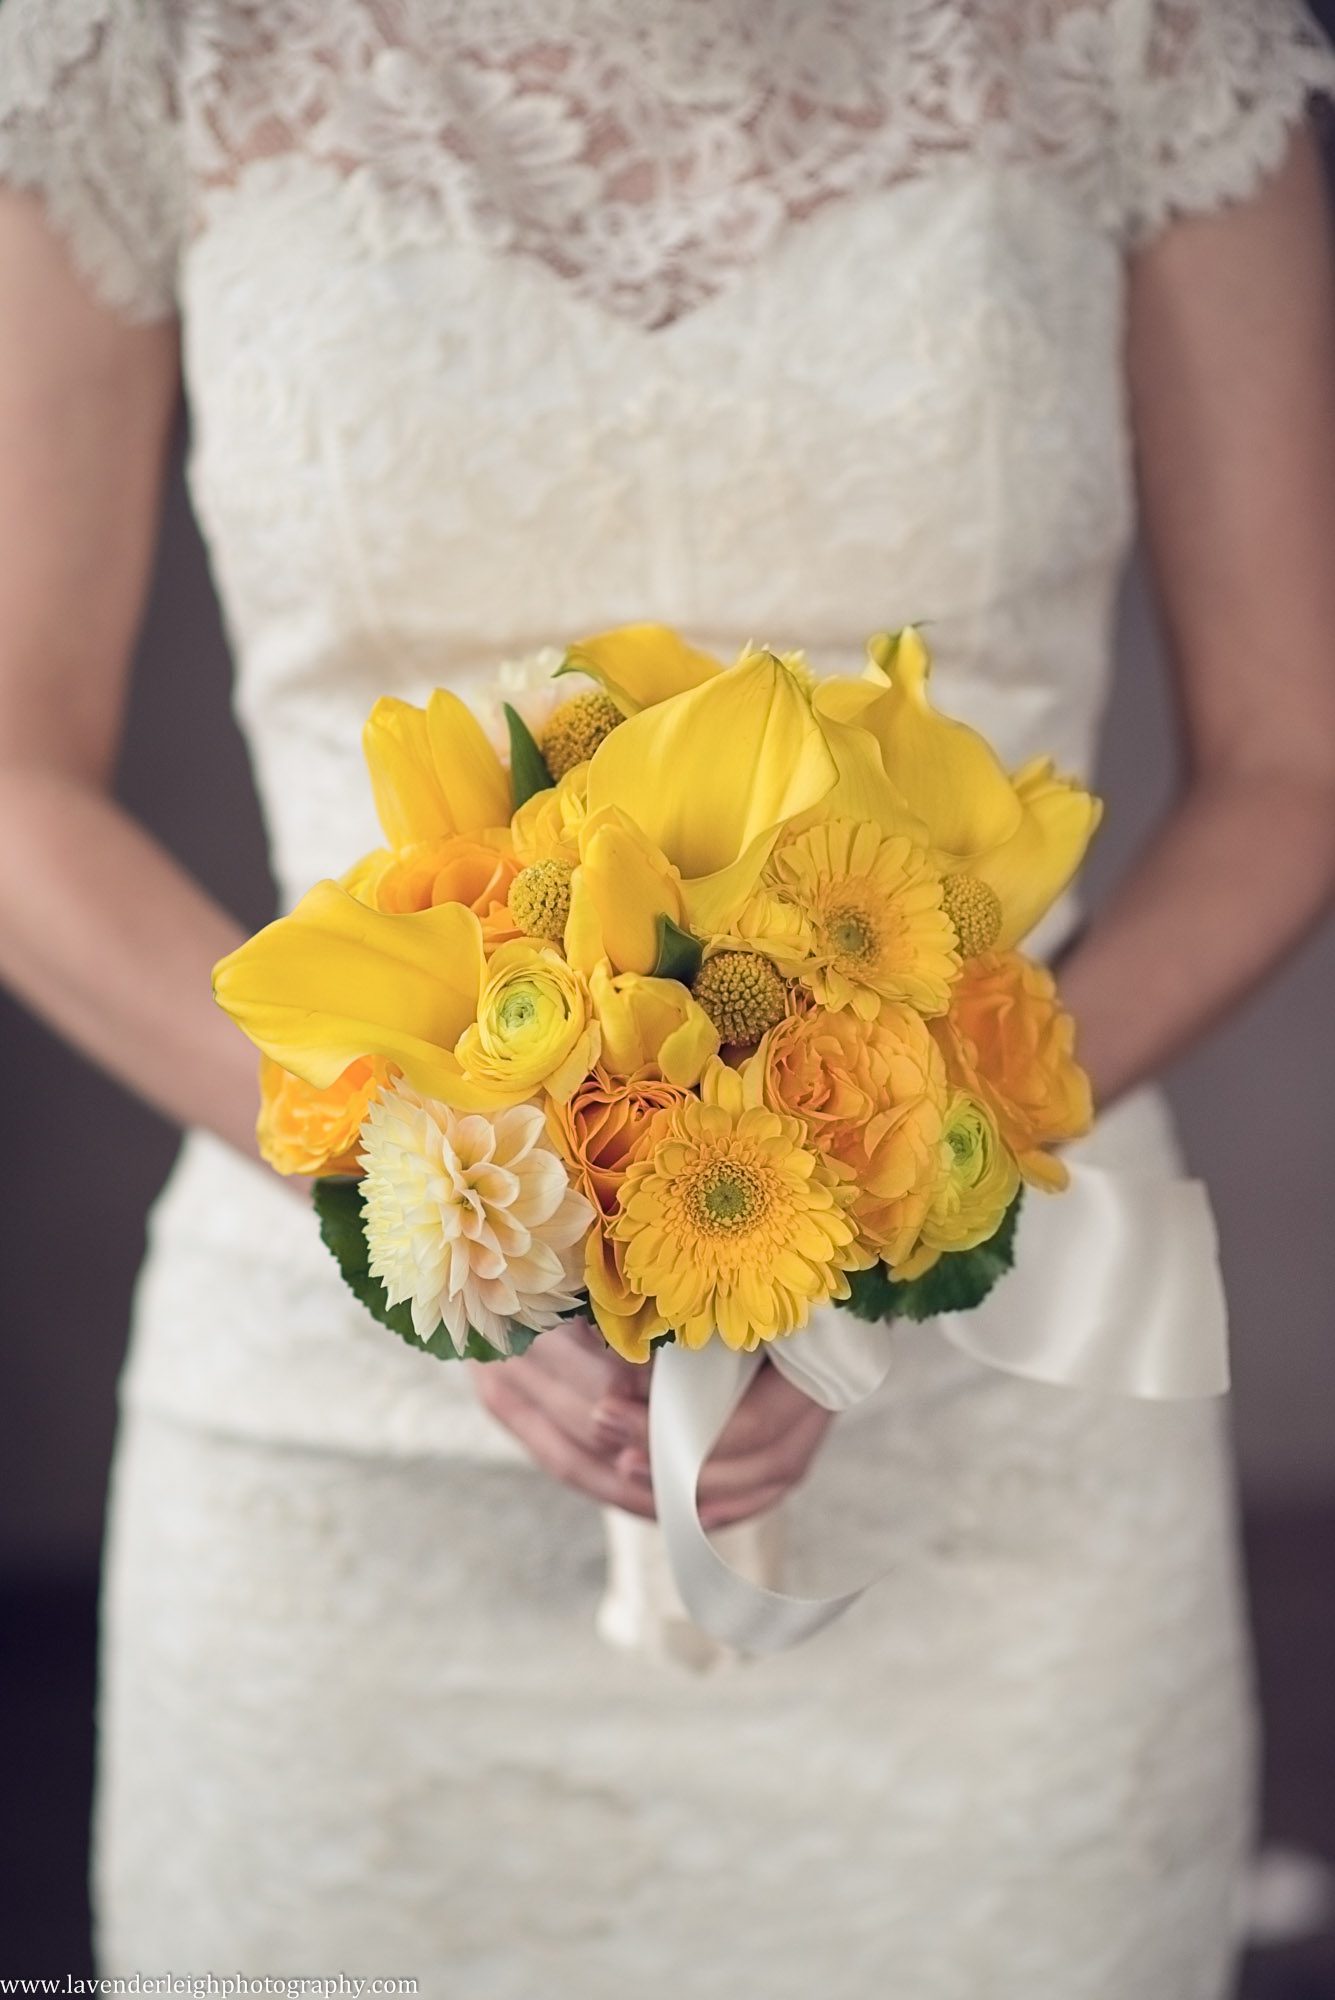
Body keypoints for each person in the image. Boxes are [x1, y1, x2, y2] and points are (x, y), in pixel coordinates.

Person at [2, 1, 1335, 1991]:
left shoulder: (1137, 34)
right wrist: (421, 1195)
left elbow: (1293, 762)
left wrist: (910, 1164)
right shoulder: (146, 43)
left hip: (987, 1483)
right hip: (342, 1485)